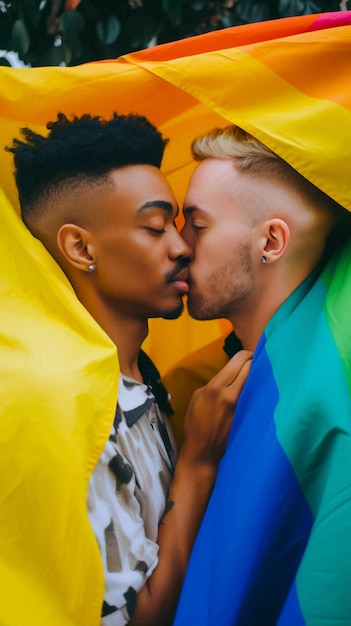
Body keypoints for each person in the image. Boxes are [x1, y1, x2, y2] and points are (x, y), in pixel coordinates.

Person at [4, 112, 252, 626]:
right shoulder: (71, 406)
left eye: (181, 225)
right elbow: (138, 618)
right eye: (155, 227)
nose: (183, 246)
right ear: (81, 248)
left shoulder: (142, 377)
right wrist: (199, 460)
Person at [173, 124, 351, 625]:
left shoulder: (319, 399)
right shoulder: (205, 383)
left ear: (271, 240)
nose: (179, 246)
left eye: (198, 225)